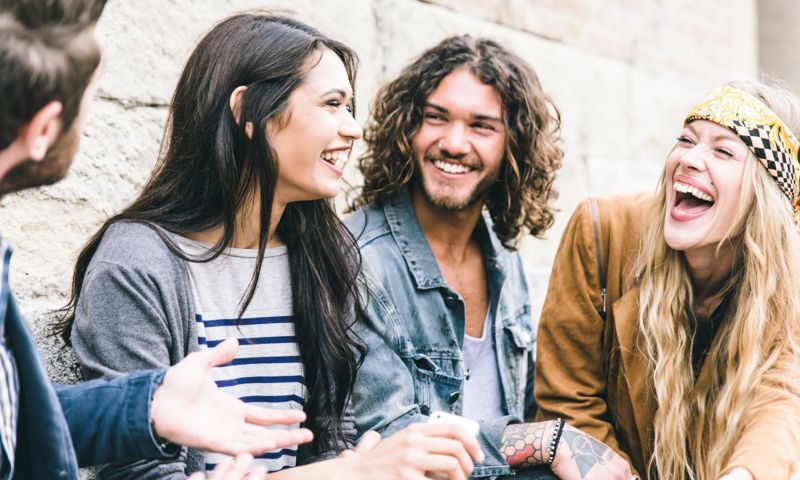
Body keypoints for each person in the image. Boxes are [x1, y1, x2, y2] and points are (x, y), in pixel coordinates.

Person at [56, 11, 483, 479]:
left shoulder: (322, 253)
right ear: (248, 114)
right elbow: (140, 474)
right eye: (332, 104)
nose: (353, 128)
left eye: (349, 106)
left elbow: (329, 443)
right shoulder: (138, 264)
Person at [0, 1, 315, 479]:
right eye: (93, 97)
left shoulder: (319, 252)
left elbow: (9, 422)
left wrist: (145, 407)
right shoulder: (138, 260)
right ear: (44, 129)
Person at [345, 35, 633, 480]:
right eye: (435, 118)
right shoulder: (360, 259)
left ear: (512, 147)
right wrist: (545, 441)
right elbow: (390, 437)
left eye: (482, 126)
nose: (454, 143)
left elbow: (532, 399)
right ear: (407, 129)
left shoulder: (502, 256)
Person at [535, 81, 800, 479]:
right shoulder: (602, 231)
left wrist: (745, 474)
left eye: (723, 151)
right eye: (685, 139)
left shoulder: (787, 283)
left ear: (764, 197)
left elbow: (782, 402)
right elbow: (567, 401)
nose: (690, 159)